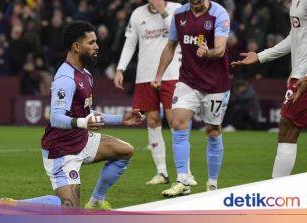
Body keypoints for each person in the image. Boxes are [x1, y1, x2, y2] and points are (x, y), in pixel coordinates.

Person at [41, 21, 143, 209]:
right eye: (91, 42)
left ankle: (96, 201)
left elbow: (86, 114)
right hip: (61, 150)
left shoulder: (86, 74)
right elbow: (55, 118)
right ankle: (15, 205)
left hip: (81, 140)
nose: (97, 46)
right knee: (71, 207)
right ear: (77, 46)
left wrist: (122, 118)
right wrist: (83, 123)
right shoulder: (65, 78)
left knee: (125, 151)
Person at [152, 0, 231, 196]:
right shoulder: (179, 15)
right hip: (188, 81)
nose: (195, 2)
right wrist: (159, 75)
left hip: (216, 84)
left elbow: (220, 49)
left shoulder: (219, 14)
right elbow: (170, 46)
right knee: (177, 123)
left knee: (212, 131)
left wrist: (208, 52)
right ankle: (183, 181)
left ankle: (212, 184)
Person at [114, 0, 197, 186]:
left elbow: (183, 35)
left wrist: (163, 12)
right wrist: (120, 69)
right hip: (144, 76)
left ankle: (186, 172)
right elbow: (130, 43)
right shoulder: (137, 13)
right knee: (152, 121)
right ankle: (161, 172)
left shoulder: (177, 9)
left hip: (172, 73)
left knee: (176, 122)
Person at [231, 0, 307, 179]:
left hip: (303, 75)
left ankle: (276, 190)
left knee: (288, 127)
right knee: (287, 127)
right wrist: (261, 56)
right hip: (300, 73)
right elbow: (295, 38)